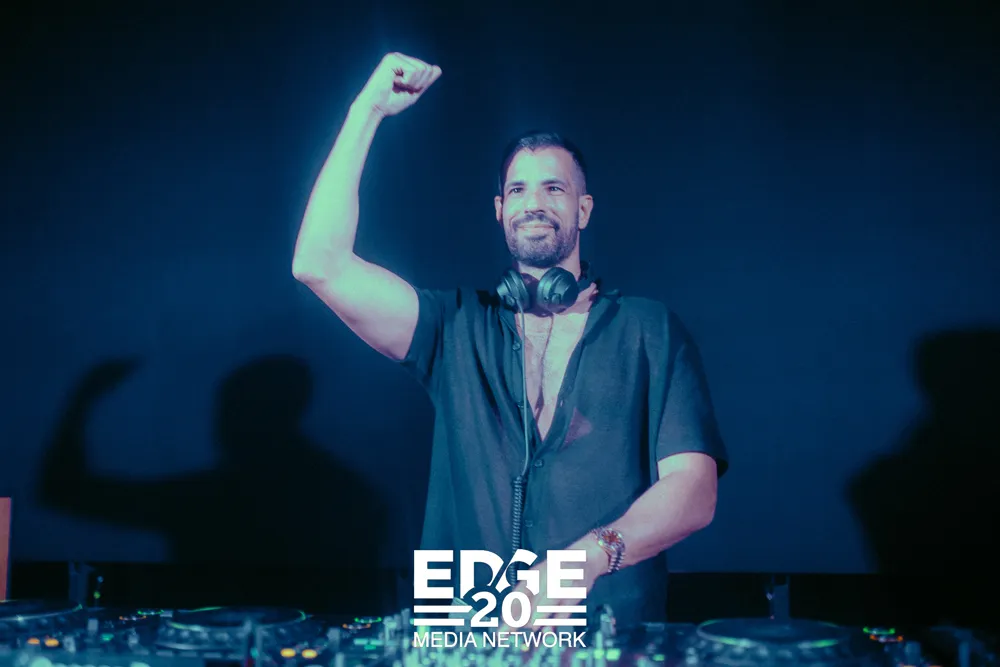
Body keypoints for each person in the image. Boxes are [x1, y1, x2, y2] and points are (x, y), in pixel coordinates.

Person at [292, 52, 728, 629]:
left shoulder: (649, 329)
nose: (534, 203)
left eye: (554, 188)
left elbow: (695, 490)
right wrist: (367, 108)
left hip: (609, 639)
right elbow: (318, 263)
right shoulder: (453, 326)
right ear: (500, 211)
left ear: (583, 209)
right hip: (465, 640)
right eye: (518, 190)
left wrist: (585, 560)